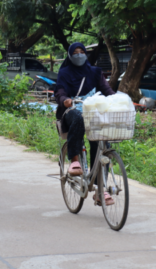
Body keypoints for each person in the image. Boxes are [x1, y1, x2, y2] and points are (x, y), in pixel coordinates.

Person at [54, 42, 116, 205]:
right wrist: (64, 100)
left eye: (82, 51)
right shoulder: (64, 72)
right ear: (69, 55)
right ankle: (74, 159)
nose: (79, 54)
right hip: (71, 110)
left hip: (92, 111)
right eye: (76, 52)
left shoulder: (95, 72)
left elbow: (106, 88)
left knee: (100, 143)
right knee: (78, 118)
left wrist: (117, 100)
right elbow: (59, 90)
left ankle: (100, 190)